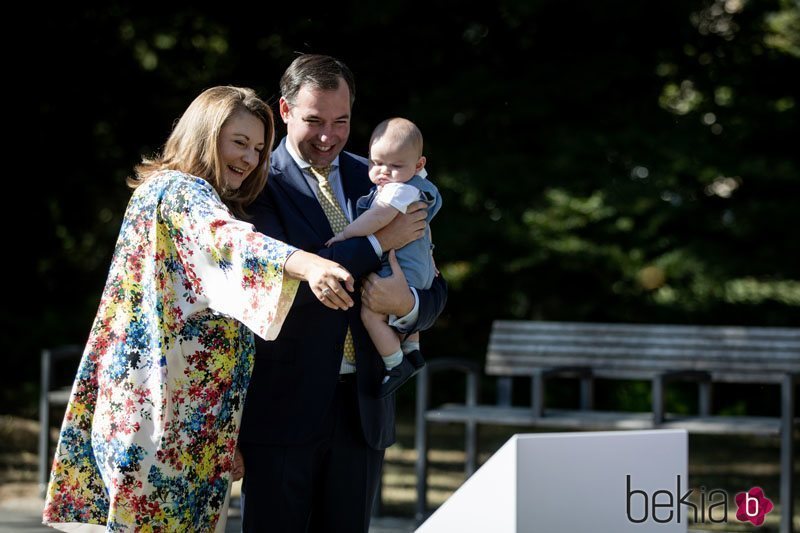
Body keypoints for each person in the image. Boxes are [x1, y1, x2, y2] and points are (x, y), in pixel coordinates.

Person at [41, 86, 354, 533]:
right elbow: (228, 240)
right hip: (160, 422)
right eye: (239, 142)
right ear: (205, 135)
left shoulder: (175, 195)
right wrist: (306, 263)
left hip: (179, 423)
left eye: (260, 148)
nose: (249, 159)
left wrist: (229, 433)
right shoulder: (180, 192)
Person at [238, 54, 448, 532]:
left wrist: (408, 306)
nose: (329, 136)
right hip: (282, 411)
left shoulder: (380, 175)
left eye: (342, 121)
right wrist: (377, 242)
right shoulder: (255, 185)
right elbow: (285, 289)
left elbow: (432, 284)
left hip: (363, 410)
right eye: (314, 120)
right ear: (284, 111)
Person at [326, 117, 441, 397]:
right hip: (422, 266)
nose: (383, 172)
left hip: (402, 268)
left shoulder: (398, 189)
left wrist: (345, 235)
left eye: (395, 166)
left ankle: (396, 363)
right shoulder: (418, 187)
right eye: (376, 163)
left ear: (418, 166)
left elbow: (377, 218)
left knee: (372, 313)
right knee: (403, 300)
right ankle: (412, 349)